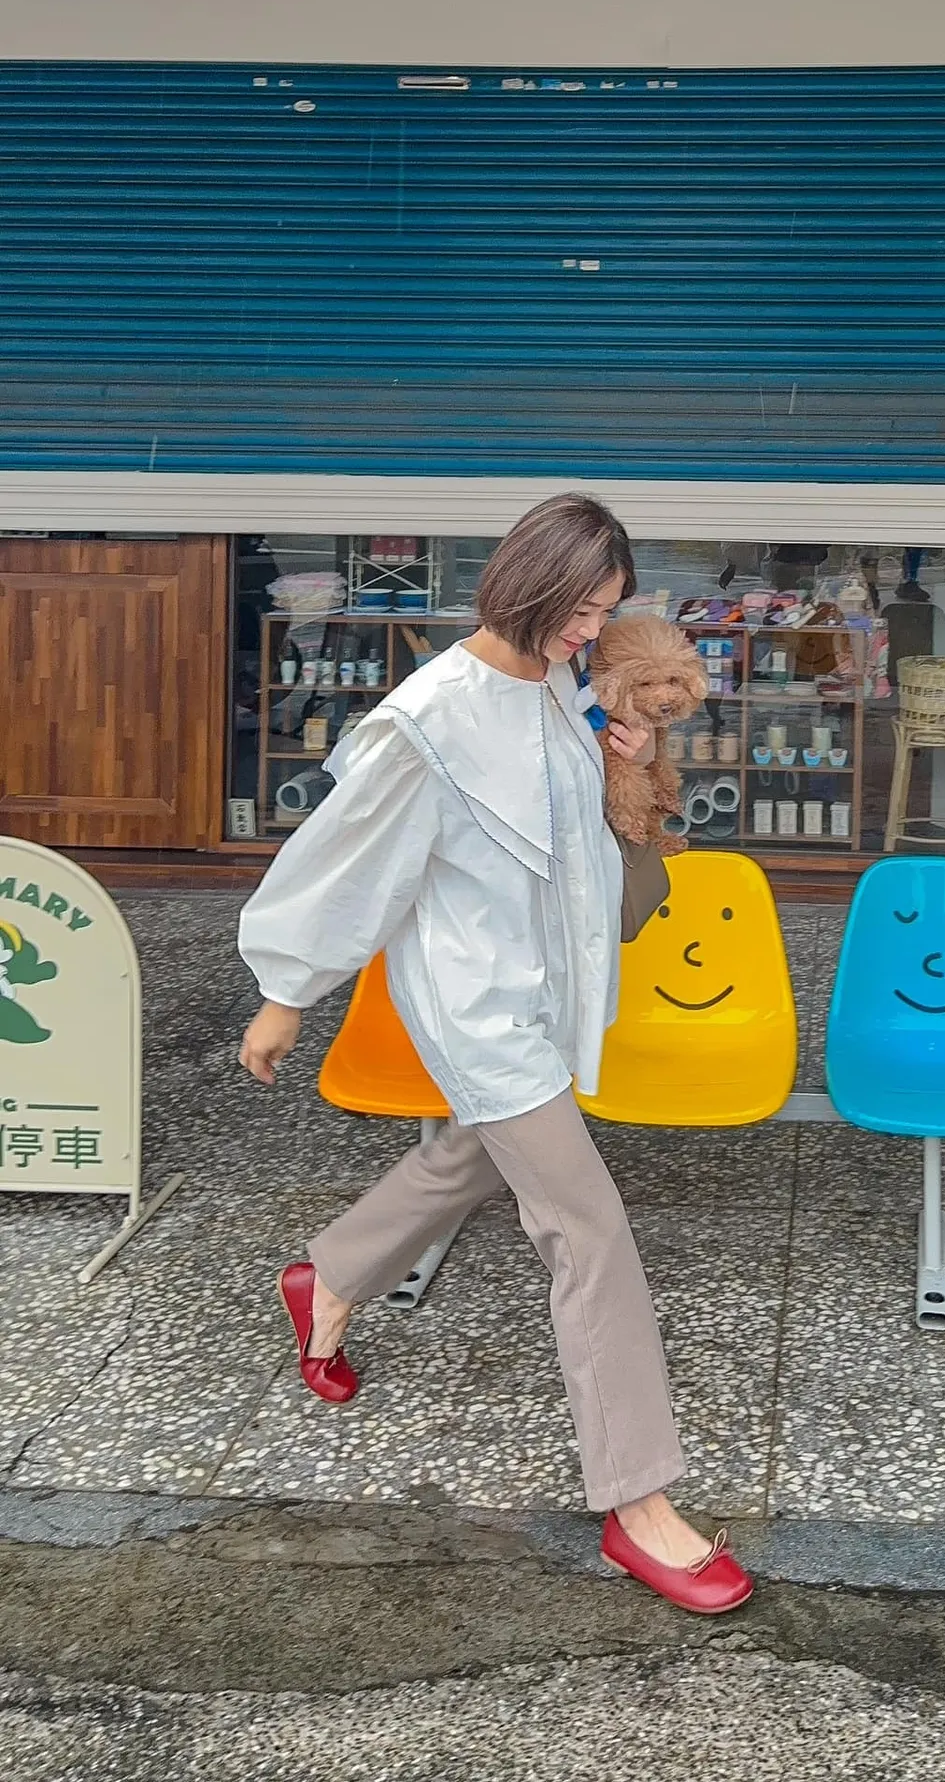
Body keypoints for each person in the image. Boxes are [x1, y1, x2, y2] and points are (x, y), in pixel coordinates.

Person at [237, 492, 753, 1617]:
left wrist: (633, 758)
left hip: (551, 990)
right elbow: (345, 861)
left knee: (473, 1155)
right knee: (588, 1227)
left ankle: (331, 1274)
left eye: (607, 612)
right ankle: (640, 1504)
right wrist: (285, 994)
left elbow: (576, 838)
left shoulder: (562, 689)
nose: (591, 632)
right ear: (526, 583)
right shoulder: (431, 720)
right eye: (580, 610)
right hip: (477, 1007)